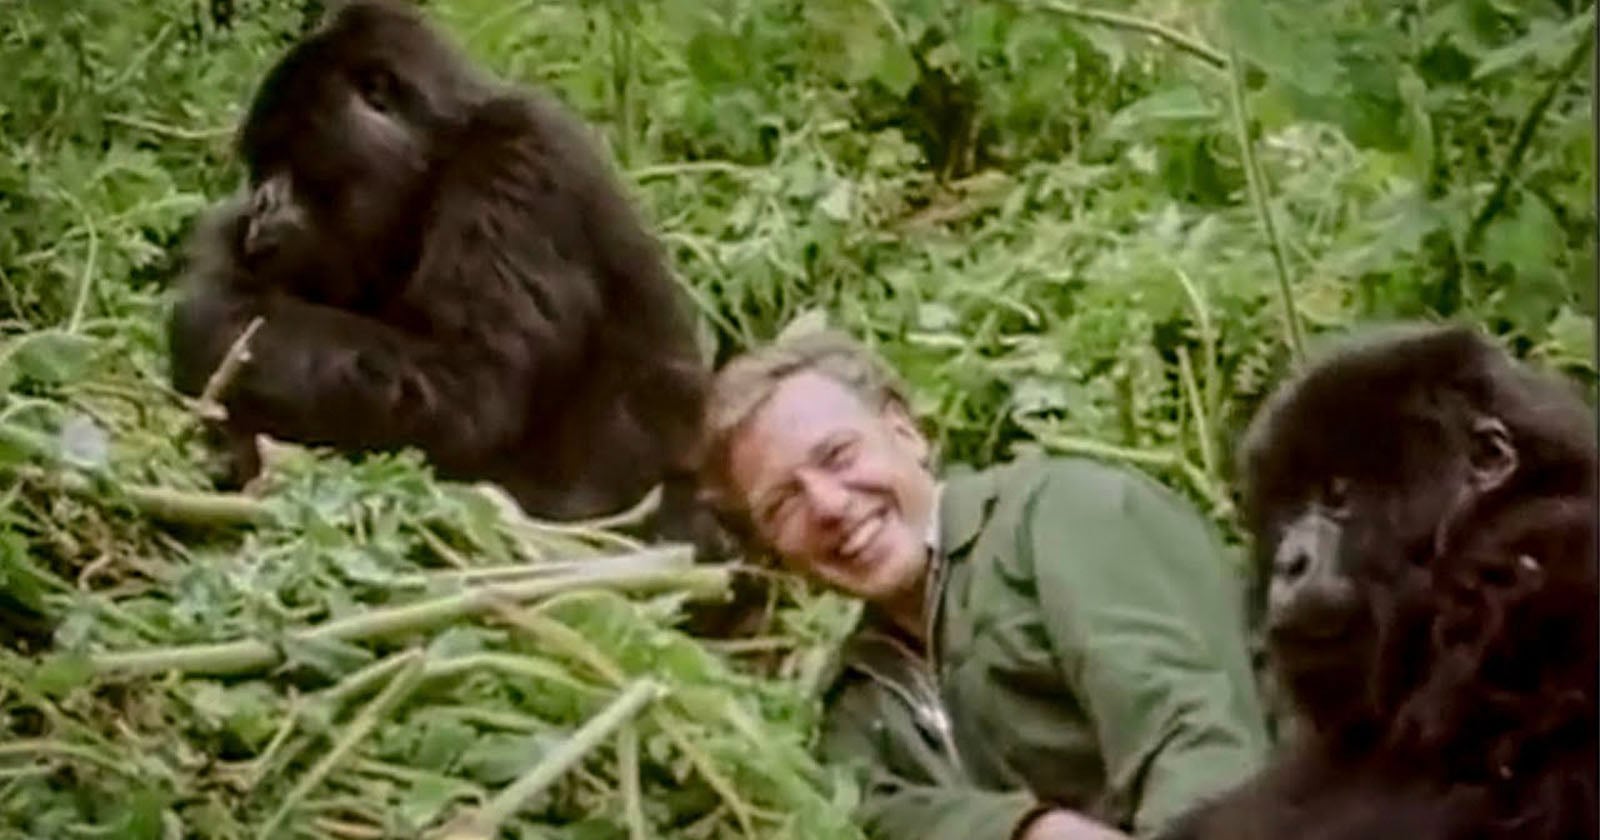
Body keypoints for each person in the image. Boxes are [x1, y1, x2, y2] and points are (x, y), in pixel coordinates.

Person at [697, 330, 1270, 840]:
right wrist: (1027, 828)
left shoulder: (1061, 517)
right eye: (783, 503)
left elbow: (1193, 731)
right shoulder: (856, 700)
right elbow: (865, 815)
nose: (828, 505)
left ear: (905, 432)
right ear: (775, 553)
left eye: (838, 455)